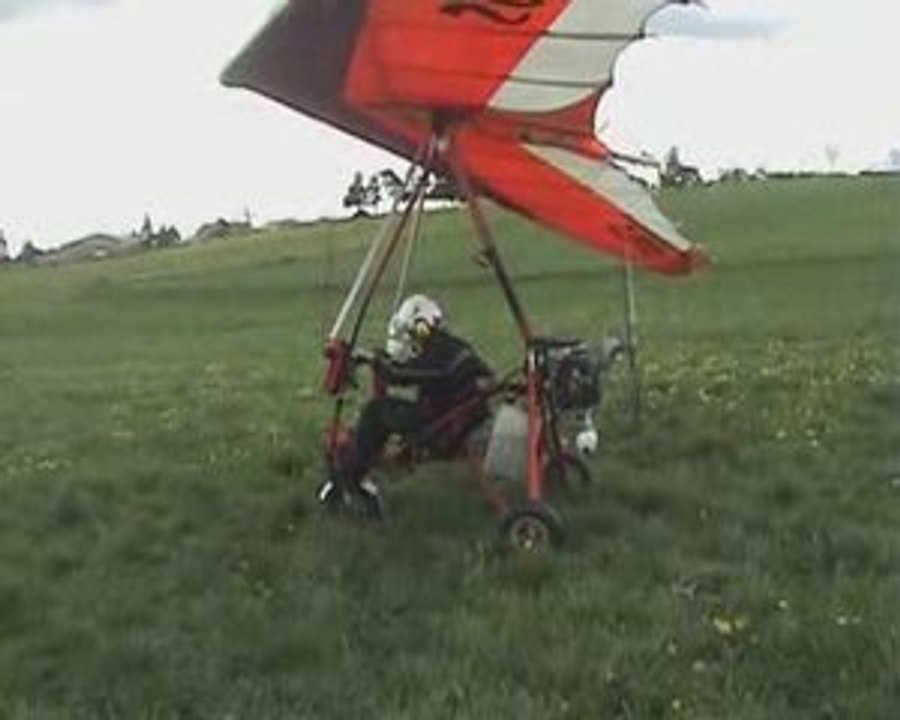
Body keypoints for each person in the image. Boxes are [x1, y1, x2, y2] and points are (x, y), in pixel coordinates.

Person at [320, 294, 493, 507]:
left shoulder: (439, 353)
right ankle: (365, 462)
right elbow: (413, 370)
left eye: (413, 332)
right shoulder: (452, 347)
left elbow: (400, 374)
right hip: (457, 418)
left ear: (423, 327)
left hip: (443, 428)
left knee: (376, 411)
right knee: (389, 408)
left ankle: (350, 474)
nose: (412, 339)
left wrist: (372, 360)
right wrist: (380, 360)